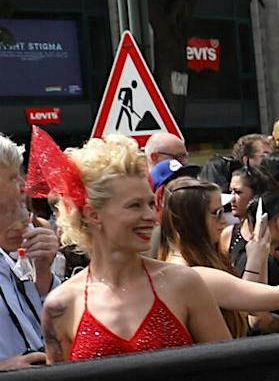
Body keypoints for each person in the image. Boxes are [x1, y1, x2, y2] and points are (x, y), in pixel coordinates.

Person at [39, 137, 231, 359]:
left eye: (150, 204)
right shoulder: (61, 306)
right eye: (134, 206)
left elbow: (227, 378)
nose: (150, 216)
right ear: (93, 214)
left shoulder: (184, 284)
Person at [155, 181, 279, 338]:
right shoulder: (195, 274)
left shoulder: (180, 264)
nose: (224, 221)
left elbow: (253, 315)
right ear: (192, 220)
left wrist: (258, 257)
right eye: (217, 213)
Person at [0, 136, 55, 368]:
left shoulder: (6, 258)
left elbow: (42, 325)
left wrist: (43, 273)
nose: (22, 185)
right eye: (13, 177)